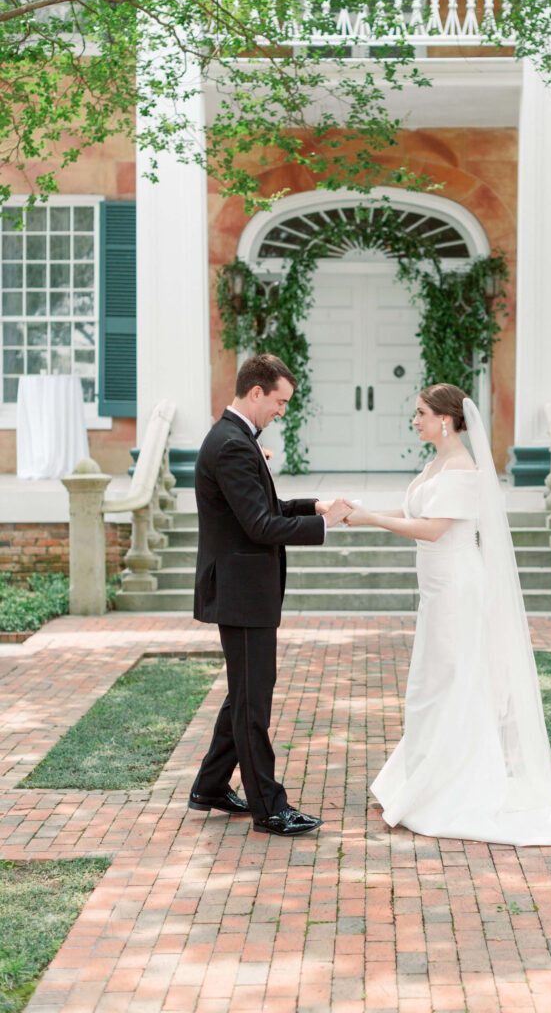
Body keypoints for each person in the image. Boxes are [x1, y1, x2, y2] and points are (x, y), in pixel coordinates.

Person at [345, 384, 551, 846]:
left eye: (420, 413)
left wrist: (371, 521)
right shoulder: (436, 464)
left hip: (459, 590)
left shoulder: (462, 467)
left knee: (454, 683)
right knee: (431, 683)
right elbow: (410, 511)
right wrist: (356, 511)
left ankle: (453, 788)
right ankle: (423, 780)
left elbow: (435, 530)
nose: (414, 420)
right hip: (437, 591)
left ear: (446, 419)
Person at [189, 353, 352, 836]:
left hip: (245, 591)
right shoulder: (234, 445)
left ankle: (210, 786)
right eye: (279, 402)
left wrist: (315, 505)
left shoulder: (234, 438)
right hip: (241, 593)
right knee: (251, 702)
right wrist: (324, 525)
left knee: (245, 694)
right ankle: (269, 808)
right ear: (256, 392)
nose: (282, 411)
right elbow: (261, 526)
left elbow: (264, 508)